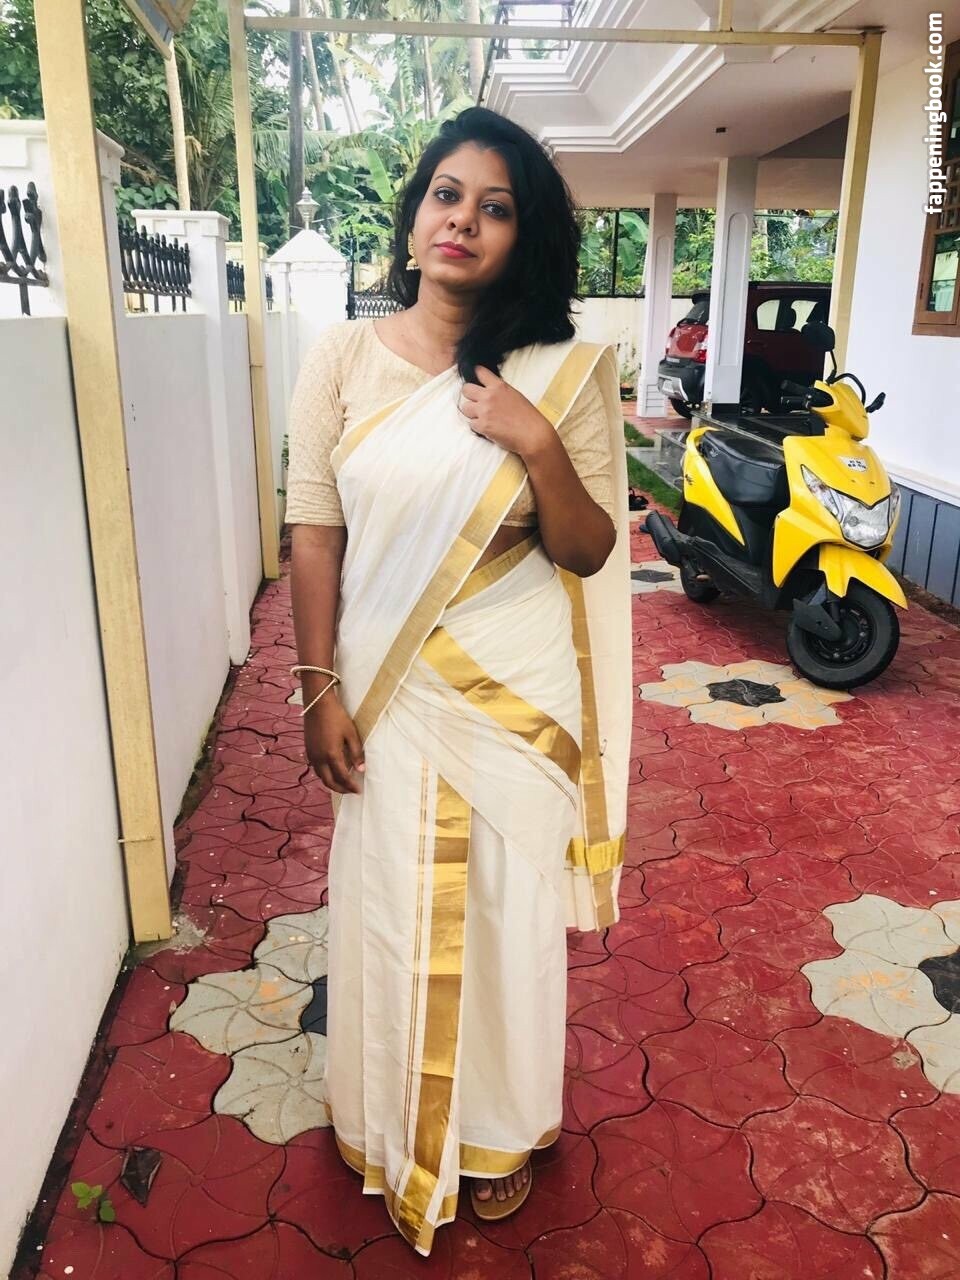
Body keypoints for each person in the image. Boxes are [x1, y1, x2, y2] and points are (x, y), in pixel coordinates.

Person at [285, 105, 631, 1257]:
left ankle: (496, 1127)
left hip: (511, 693)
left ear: (521, 239)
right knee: (387, 904)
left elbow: (587, 548)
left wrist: (534, 439)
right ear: (414, 213)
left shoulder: (555, 376)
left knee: (503, 911)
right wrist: (318, 687)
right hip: (386, 693)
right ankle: (384, 1115)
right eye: (447, 194)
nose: (464, 221)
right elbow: (315, 531)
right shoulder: (340, 359)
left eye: (496, 207)